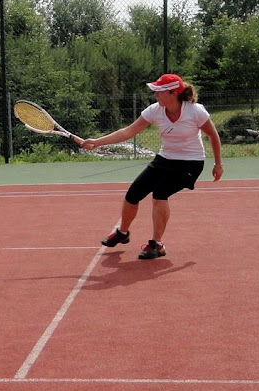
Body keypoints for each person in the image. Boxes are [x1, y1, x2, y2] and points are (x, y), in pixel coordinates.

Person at [81, 73, 224, 259]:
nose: (156, 95)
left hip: (190, 162)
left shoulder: (195, 111)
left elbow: (213, 135)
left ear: (173, 93)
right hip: (164, 159)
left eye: (160, 91)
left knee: (160, 194)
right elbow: (128, 131)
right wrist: (98, 142)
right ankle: (123, 233)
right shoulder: (155, 110)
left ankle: (157, 244)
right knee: (133, 194)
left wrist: (218, 164)